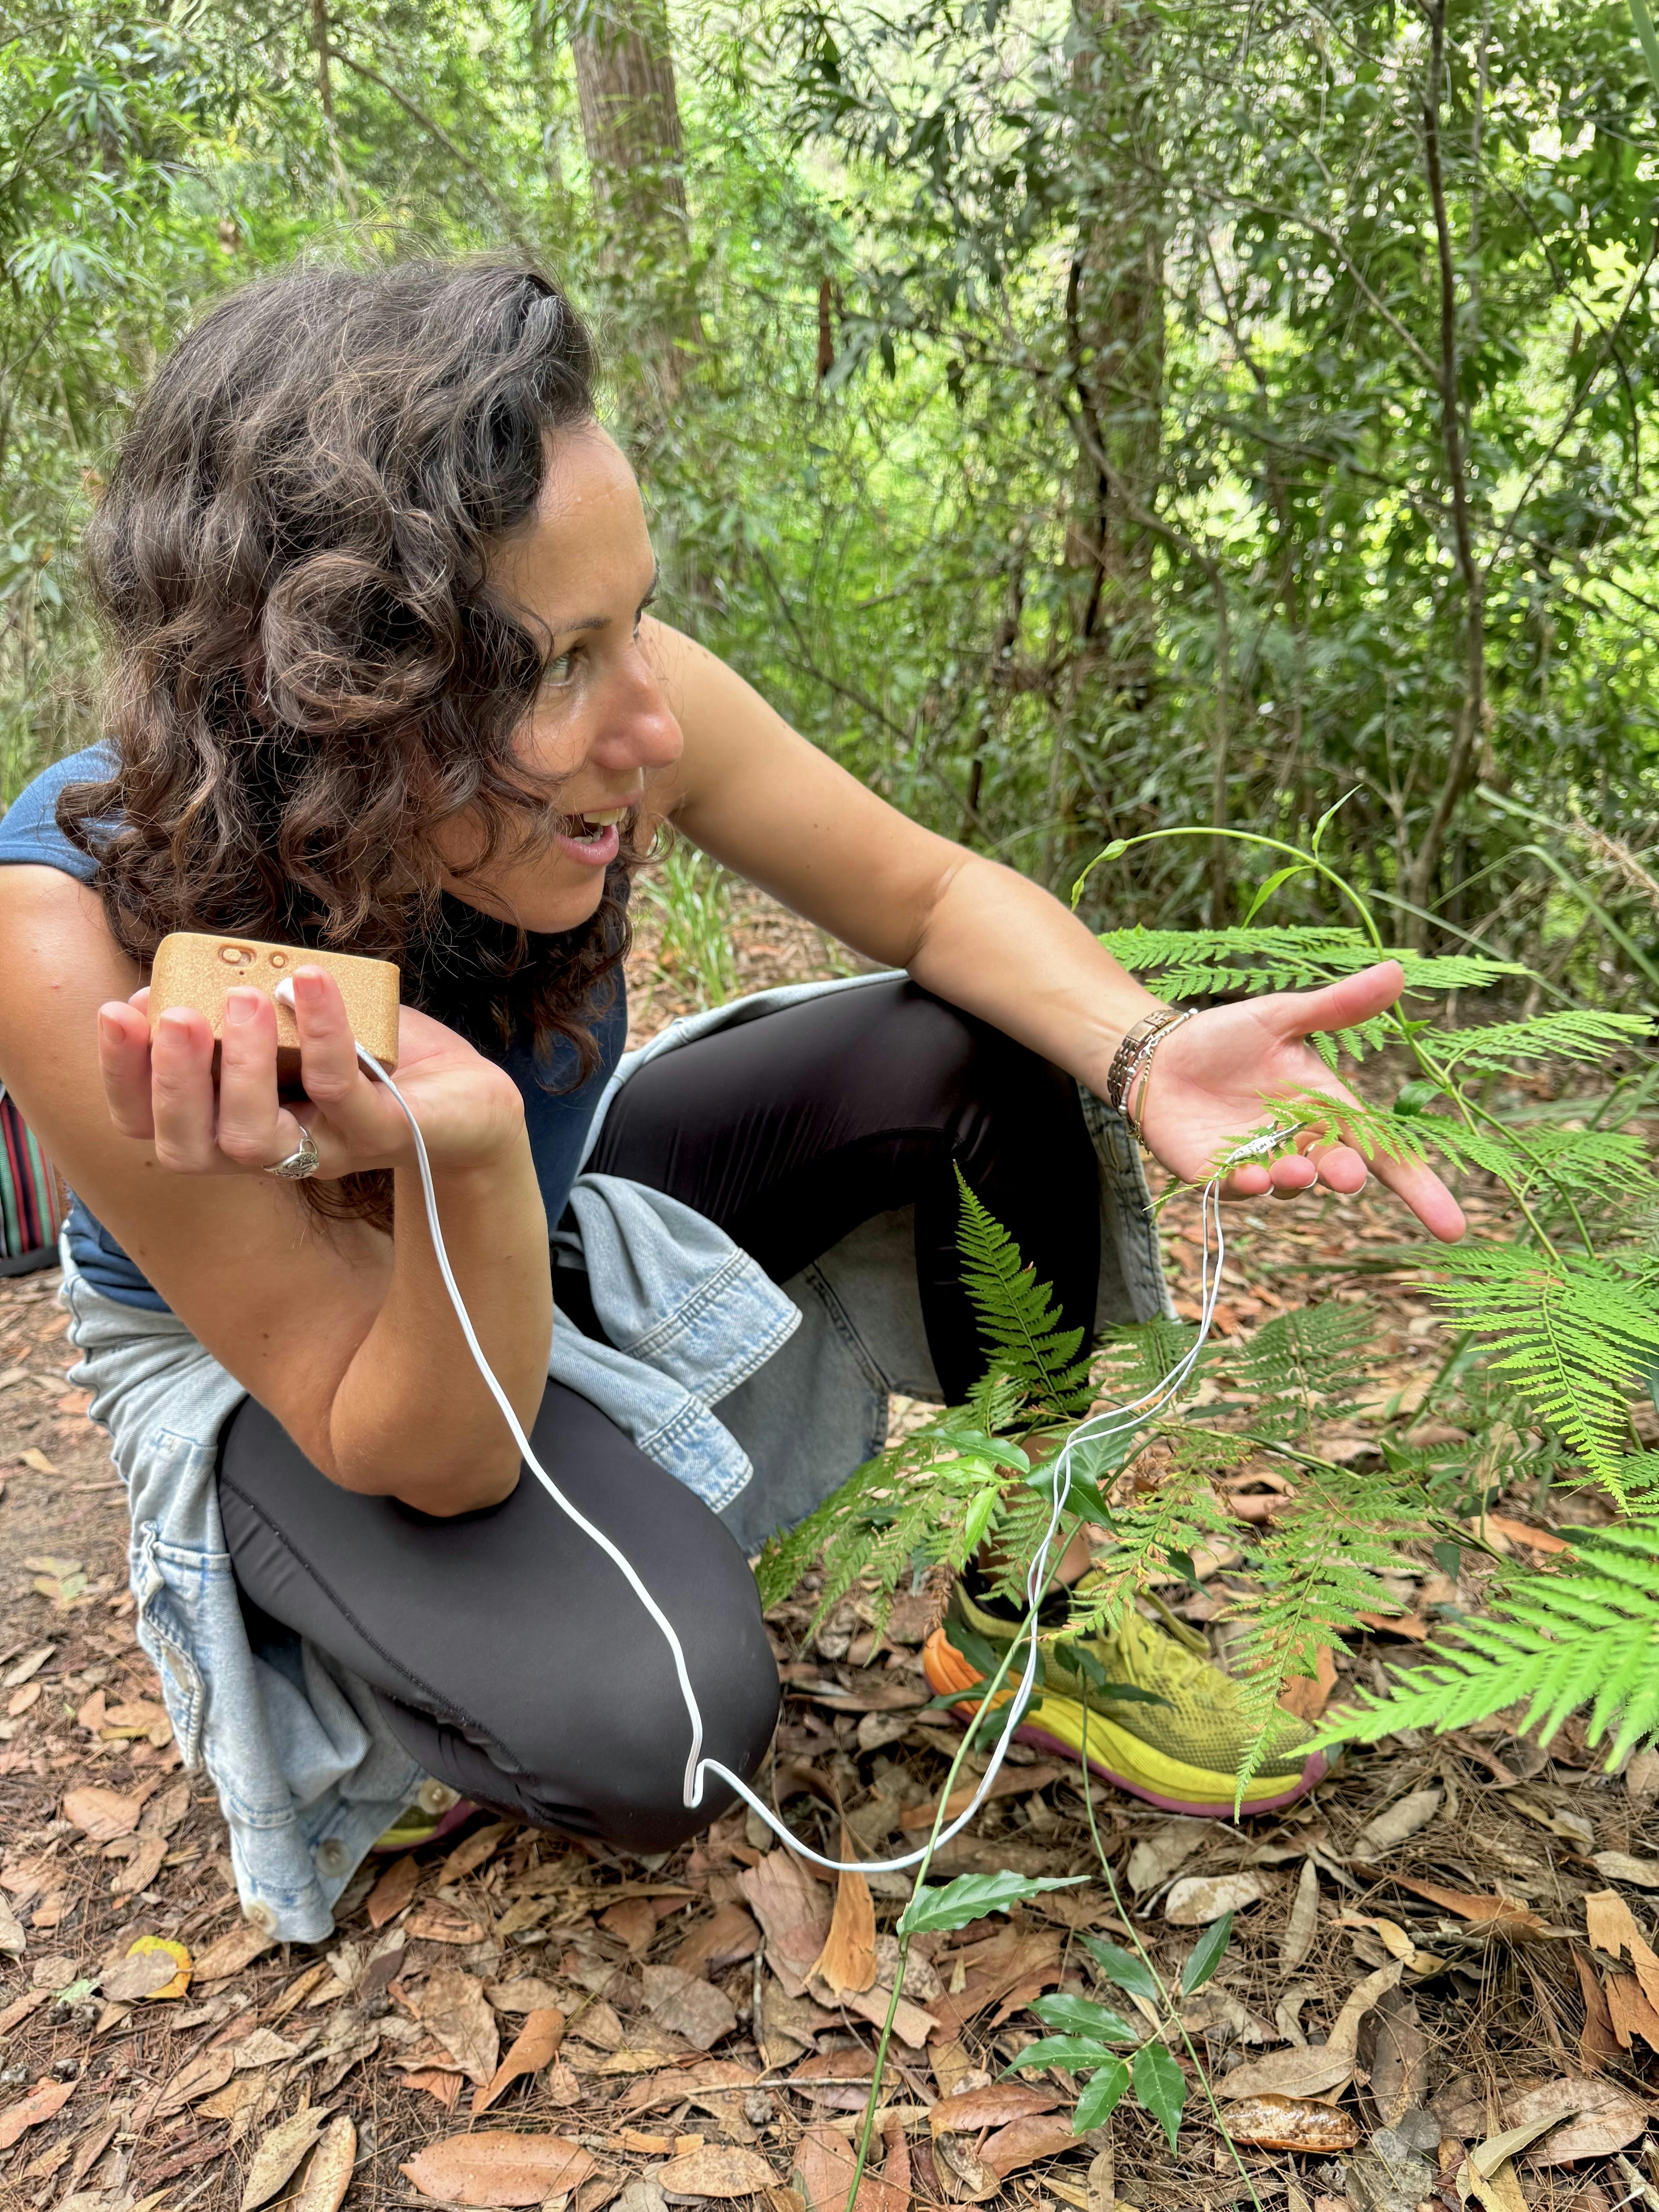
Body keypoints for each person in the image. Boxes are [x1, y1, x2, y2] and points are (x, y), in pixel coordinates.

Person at [0, 261, 1463, 1941]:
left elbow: (929, 898)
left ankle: (1031, 1604)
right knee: (660, 1729)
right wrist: (462, 1154)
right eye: (561, 660)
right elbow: (419, 1442)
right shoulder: (73, 923)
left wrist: (1139, 1048)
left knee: (985, 1049)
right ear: (339, 690)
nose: (655, 719)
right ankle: (355, 1663)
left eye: (637, 623)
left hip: (534, 1208)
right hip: (290, 1366)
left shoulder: (624, 706)